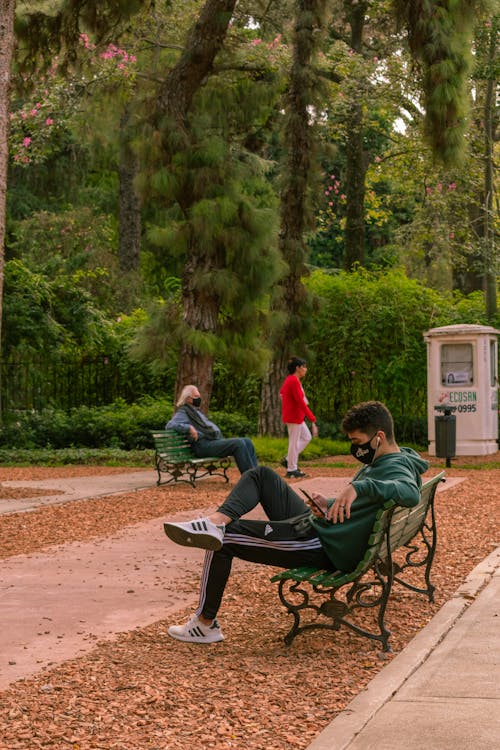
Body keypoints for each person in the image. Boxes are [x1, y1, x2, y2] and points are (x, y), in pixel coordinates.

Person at [163, 400, 429, 643]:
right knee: (262, 476)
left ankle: (204, 624)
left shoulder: (395, 467)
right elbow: (371, 501)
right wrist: (331, 503)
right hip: (326, 528)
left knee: (223, 538)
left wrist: (361, 486)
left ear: (378, 437)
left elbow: (408, 492)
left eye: (357, 441)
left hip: (321, 544)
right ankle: (215, 520)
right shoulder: (398, 457)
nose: (354, 448)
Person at [166, 384, 258, 475]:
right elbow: (170, 425)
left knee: (247, 441)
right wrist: (189, 428)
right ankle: (250, 478)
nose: (199, 399)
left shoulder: (196, 411)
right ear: (189, 399)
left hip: (212, 442)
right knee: (238, 444)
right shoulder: (184, 412)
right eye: (196, 397)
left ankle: (257, 474)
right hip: (203, 446)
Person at [279, 356, 318, 478]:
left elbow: (281, 393)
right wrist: (312, 418)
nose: (306, 369)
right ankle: (291, 469)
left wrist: (288, 404)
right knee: (293, 442)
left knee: (306, 437)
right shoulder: (293, 381)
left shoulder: (291, 379)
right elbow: (300, 402)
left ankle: (288, 459)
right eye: (304, 367)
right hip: (294, 416)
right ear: (298, 368)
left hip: (296, 416)